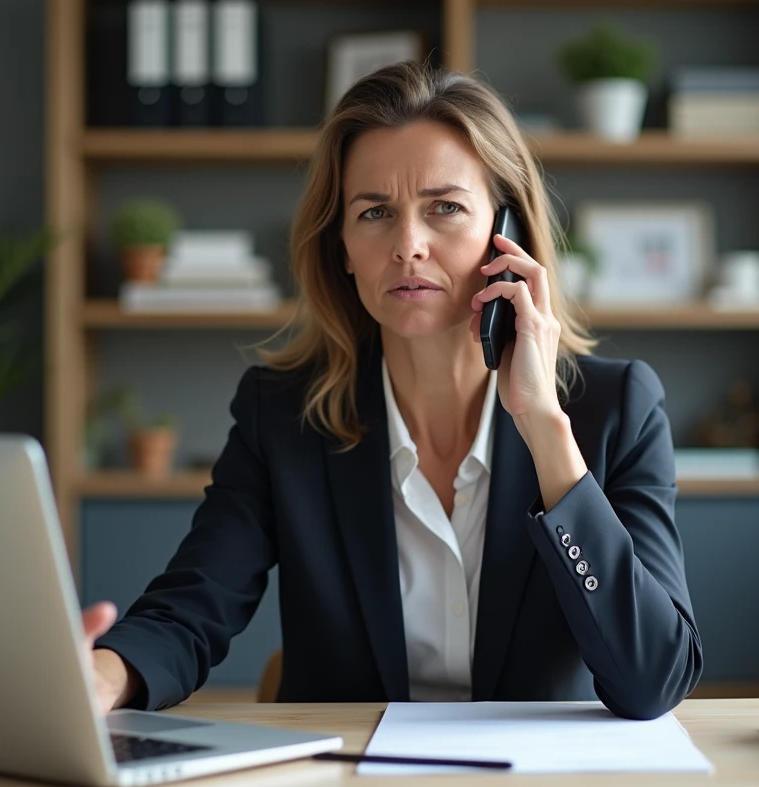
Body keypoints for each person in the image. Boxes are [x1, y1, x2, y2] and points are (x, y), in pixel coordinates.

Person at [84, 61, 703, 720]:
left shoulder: (617, 409)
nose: (408, 246)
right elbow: (191, 608)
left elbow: (653, 680)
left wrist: (546, 430)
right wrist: (98, 677)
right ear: (343, 248)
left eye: (445, 208)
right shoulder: (284, 415)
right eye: (375, 212)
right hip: (349, 769)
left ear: (509, 236)